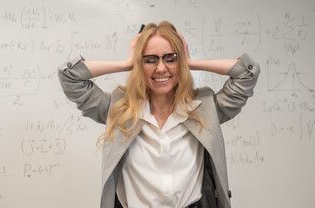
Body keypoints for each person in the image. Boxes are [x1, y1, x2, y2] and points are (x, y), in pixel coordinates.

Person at [58, 21, 260, 208]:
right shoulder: (119, 108)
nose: (161, 68)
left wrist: (190, 62)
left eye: (170, 58)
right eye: (150, 60)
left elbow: (246, 74)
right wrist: (128, 63)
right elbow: (70, 77)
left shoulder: (203, 108)